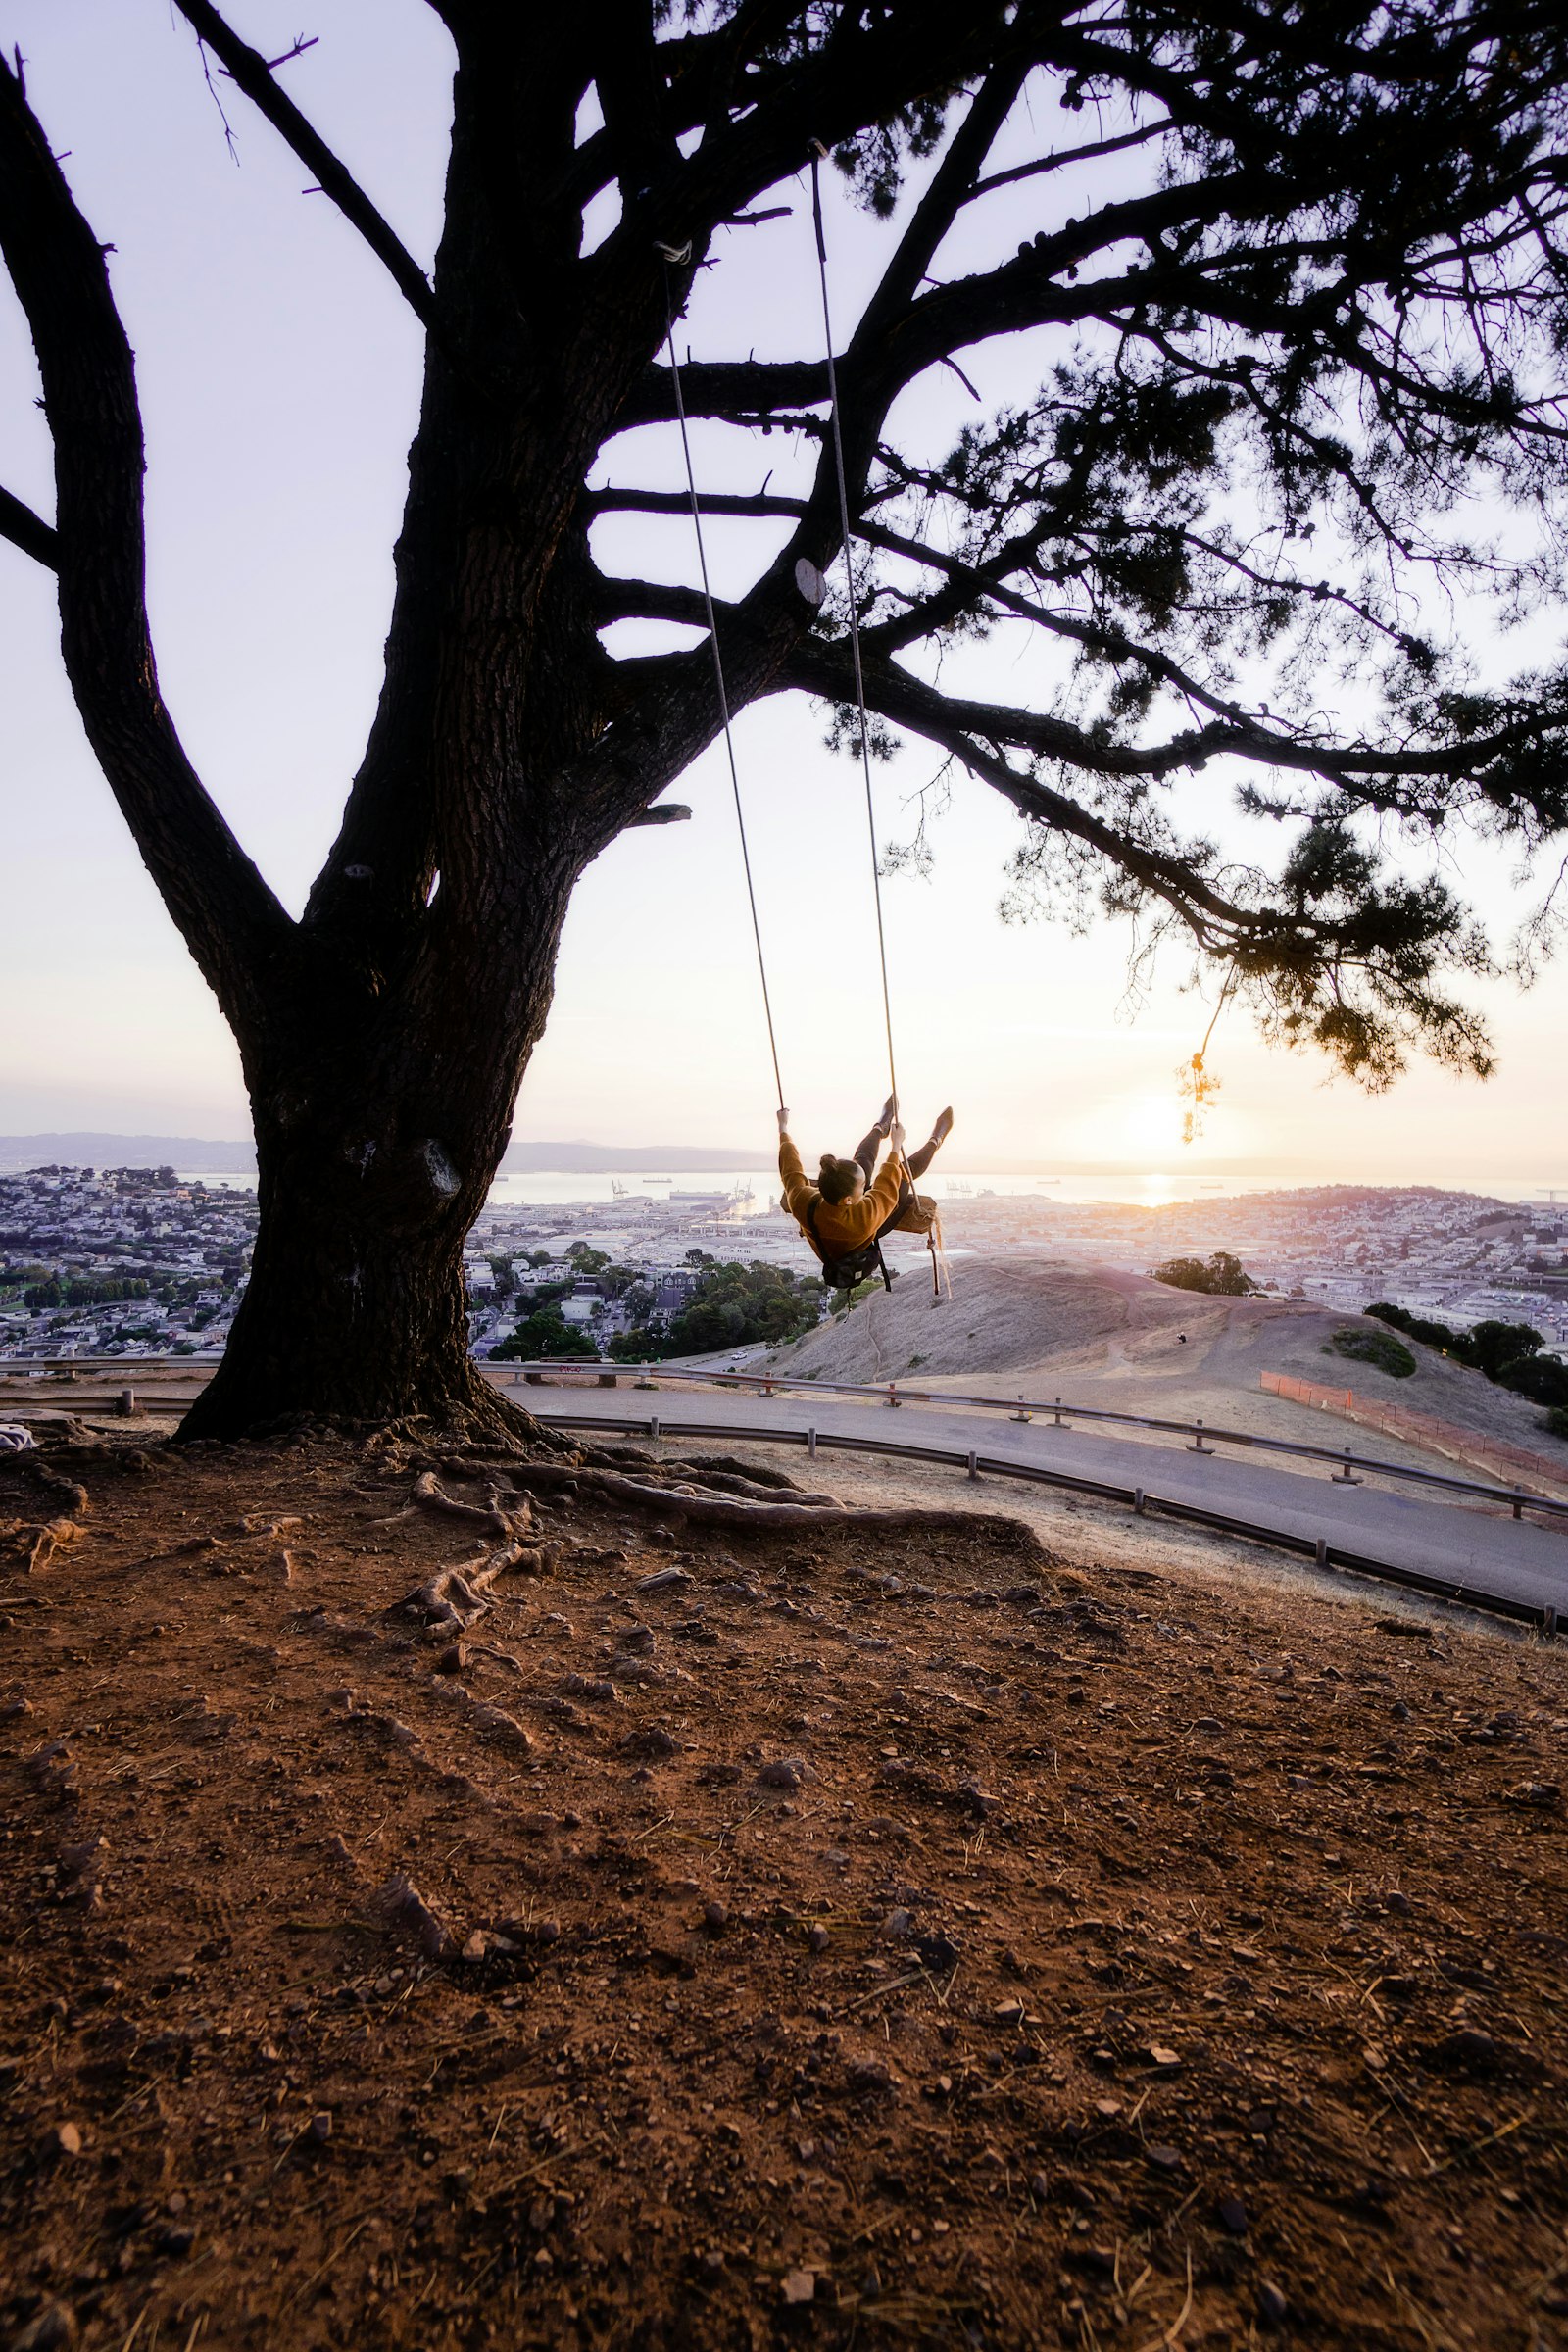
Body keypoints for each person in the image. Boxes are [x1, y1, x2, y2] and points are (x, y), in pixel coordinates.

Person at [776, 1096, 954, 1266]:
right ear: (848, 1200)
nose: (866, 1187)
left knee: (862, 1159)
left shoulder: (802, 1200)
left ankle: (879, 1128)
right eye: (863, 1187)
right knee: (904, 1172)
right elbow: (887, 1183)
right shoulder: (863, 1218)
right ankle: (935, 1141)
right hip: (862, 1242)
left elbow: (790, 1170)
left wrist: (783, 1127)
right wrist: (896, 1144)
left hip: (829, 1239)